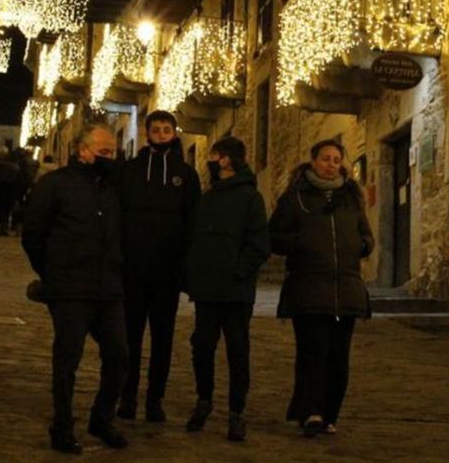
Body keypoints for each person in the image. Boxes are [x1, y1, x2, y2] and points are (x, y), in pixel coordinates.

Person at [21, 123, 128, 454]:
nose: (111, 157)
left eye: (114, 152)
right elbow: (33, 235)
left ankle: (101, 418)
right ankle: (62, 425)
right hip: (69, 289)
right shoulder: (54, 185)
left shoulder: (113, 187)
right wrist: (52, 272)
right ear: (83, 150)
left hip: (107, 288)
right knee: (68, 360)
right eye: (104, 152)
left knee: (119, 356)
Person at [269, 139, 374, 438]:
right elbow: (274, 236)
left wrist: (362, 245)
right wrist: (301, 242)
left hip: (347, 290)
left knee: (339, 357)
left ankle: (330, 414)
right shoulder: (295, 198)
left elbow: (366, 235)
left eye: (336, 159)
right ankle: (311, 411)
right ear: (313, 161)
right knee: (313, 353)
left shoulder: (352, 198)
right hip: (309, 288)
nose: (331, 164)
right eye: (325, 158)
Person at [182, 136, 269, 442]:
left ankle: (236, 411)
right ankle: (203, 399)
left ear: (227, 159)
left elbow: (258, 243)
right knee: (202, 346)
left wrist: (238, 273)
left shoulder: (249, 198)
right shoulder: (207, 198)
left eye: (215, 154)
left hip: (235, 290)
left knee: (237, 350)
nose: (211, 159)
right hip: (207, 289)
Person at [115, 111, 200, 423]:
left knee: (162, 339)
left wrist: (185, 269)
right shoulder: (130, 171)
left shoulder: (186, 175)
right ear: (147, 133)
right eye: (156, 130)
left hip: (167, 273)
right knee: (130, 338)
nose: (161, 135)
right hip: (133, 271)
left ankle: (155, 399)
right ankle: (127, 396)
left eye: (167, 130)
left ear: (174, 134)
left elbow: (193, 222)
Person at [0, 148, 23, 236]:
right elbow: (19, 181)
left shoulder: (1, 165)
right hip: (11, 191)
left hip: (1, 189)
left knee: (2, 209)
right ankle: (7, 228)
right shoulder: (17, 168)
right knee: (9, 209)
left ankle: (2, 227)